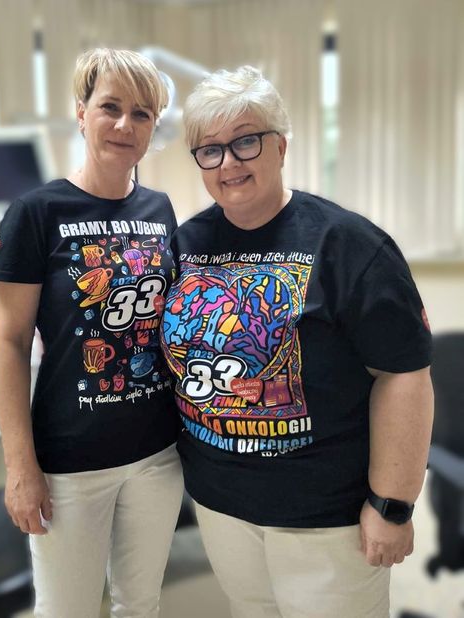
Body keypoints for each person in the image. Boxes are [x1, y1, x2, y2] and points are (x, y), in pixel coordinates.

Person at [159, 65, 434, 618]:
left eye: (246, 141)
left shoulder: (349, 244)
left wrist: (393, 503)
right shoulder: (186, 243)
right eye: (210, 150)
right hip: (221, 504)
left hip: (325, 515)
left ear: (280, 146)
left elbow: (403, 374)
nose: (229, 162)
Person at [0, 48, 183, 618]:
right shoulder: (36, 212)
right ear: (81, 113)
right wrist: (20, 468)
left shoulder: (160, 210)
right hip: (69, 462)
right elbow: (9, 345)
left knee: (140, 604)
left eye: (142, 113)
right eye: (110, 107)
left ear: (153, 128)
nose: (125, 125)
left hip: (157, 454)